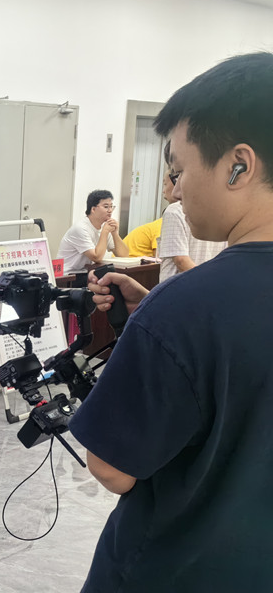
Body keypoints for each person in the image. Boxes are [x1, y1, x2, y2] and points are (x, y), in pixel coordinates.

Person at [68, 52, 273, 591]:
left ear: (239, 165)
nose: (175, 190)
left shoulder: (185, 307)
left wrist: (158, 328)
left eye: (179, 171)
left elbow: (112, 468)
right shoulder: (180, 311)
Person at [123, 145, 178, 257]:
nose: (163, 191)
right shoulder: (167, 220)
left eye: (165, 184)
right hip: (129, 264)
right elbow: (159, 257)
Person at [56, 190, 129, 272]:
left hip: (87, 273)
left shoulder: (105, 226)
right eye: (106, 207)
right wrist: (105, 232)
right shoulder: (80, 228)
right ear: (93, 209)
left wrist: (115, 233)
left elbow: (124, 255)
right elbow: (96, 257)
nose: (110, 210)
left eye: (111, 206)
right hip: (68, 274)